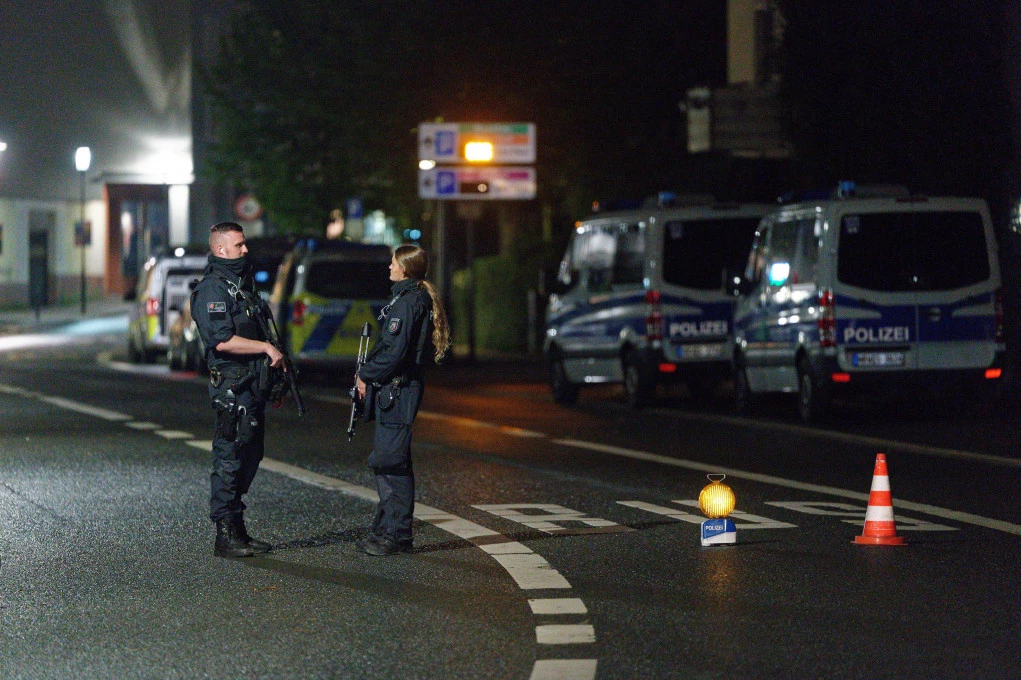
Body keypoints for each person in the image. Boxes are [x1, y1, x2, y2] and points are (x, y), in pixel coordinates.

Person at [191, 222, 284, 558]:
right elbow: (222, 340)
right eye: (239, 245)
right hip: (232, 388)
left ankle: (238, 528)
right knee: (230, 456)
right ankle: (225, 534)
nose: (246, 250)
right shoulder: (212, 290)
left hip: (252, 385)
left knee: (250, 454)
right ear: (221, 249)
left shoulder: (241, 286)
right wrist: (265, 348)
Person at [355, 244, 450, 556]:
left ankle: (396, 535)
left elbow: (394, 353)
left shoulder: (408, 302)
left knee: (391, 462)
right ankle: (386, 530)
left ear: (405, 268)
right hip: (396, 390)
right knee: (390, 460)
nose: (389, 267)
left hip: (398, 390)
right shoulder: (408, 298)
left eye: (393, 262)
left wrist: (365, 374)